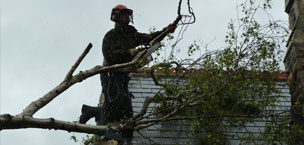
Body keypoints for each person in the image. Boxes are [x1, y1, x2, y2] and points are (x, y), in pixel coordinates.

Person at [79, 4, 177, 144]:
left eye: (127, 14)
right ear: (116, 17)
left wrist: (166, 31)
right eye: (123, 14)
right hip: (110, 74)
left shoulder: (131, 33)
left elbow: (149, 38)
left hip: (123, 75)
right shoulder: (111, 35)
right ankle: (107, 138)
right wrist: (130, 53)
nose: (126, 17)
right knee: (114, 104)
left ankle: (96, 115)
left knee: (126, 110)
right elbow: (109, 54)